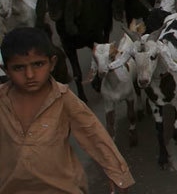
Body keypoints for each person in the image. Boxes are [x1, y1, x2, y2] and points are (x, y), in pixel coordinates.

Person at [0, 27, 134, 193]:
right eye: (19, 68)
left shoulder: (62, 98)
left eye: (38, 64)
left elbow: (93, 133)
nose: (29, 75)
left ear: (52, 63)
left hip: (62, 188)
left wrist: (117, 172)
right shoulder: (2, 100)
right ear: (6, 70)